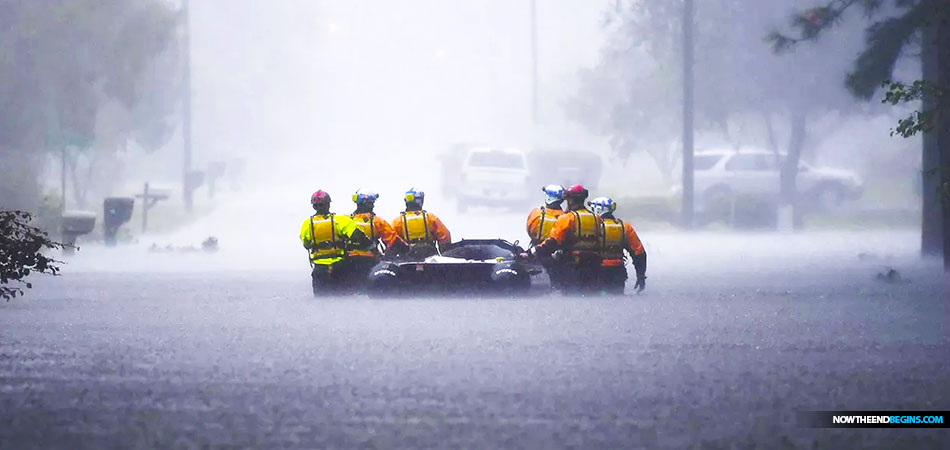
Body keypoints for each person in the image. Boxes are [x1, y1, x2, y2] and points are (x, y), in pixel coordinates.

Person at [528, 184, 602, 292]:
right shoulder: (596, 218)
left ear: (570, 201)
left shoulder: (567, 218)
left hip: (573, 267)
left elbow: (552, 243)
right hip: (594, 266)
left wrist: (530, 253)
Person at [299, 190, 370, 295]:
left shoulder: (307, 224)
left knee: (321, 301)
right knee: (342, 299)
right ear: (328, 204)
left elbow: (306, 244)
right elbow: (359, 237)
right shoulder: (340, 220)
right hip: (339, 266)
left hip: (319, 269)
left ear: (314, 206)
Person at [588, 196, 647, 294]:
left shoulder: (592, 227)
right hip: (618, 272)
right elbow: (639, 253)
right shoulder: (625, 227)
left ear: (597, 210)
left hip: (597, 271)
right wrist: (641, 276)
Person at [347, 189, 407, 285]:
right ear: (368, 203)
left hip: (348, 262)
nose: (373, 205)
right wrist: (407, 250)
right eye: (372, 202)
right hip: (369, 262)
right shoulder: (377, 222)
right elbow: (393, 241)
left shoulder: (346, 221)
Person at [391, 187, 451, 258]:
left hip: (407, 257)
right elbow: (445, 236)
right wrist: (445, 252)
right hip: (430, 255)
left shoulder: (398, 220)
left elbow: (392, 240)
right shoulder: (430, 217)